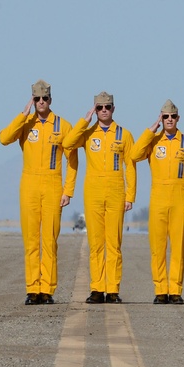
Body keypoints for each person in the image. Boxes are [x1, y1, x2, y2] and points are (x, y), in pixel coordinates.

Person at [0, 80, 78, 305]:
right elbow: (4, 139)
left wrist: (68, 191)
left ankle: (47, 290)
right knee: (31, 239)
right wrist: (22, 115)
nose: (41, 102)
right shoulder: (26, 123)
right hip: (29, 185)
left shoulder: (63, 126)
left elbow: (72, 160)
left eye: (44, 99)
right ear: (32, 100)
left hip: (53, 185)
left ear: (50, 100)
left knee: (49, 239)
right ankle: (32, 289)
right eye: (36, 99)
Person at [62, 91, 136, 304]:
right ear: (94, 109)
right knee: (95, 243)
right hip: (93, 191)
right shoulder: (87, 133)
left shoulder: (124, 134)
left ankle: (112, 289)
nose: (104, 110)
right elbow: (68, 144)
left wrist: (130, 195)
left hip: (116, 191)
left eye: (108, 107)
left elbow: (130, 167)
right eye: (99, 107)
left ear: (114, 108)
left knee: (114, 243)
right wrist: (84, 121)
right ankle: (97, 288)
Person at [130, 100, 184, 305]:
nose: (169, 120)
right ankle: (161, 289)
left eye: (172, 117)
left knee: (178, 247)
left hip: (179, 196)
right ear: (160, 118)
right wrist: (150, 130)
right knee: (158, 246)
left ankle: (176, 290)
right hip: (158, 197)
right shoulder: (153, 141)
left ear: (178, 118)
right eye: (165, 117)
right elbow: (134, 155)